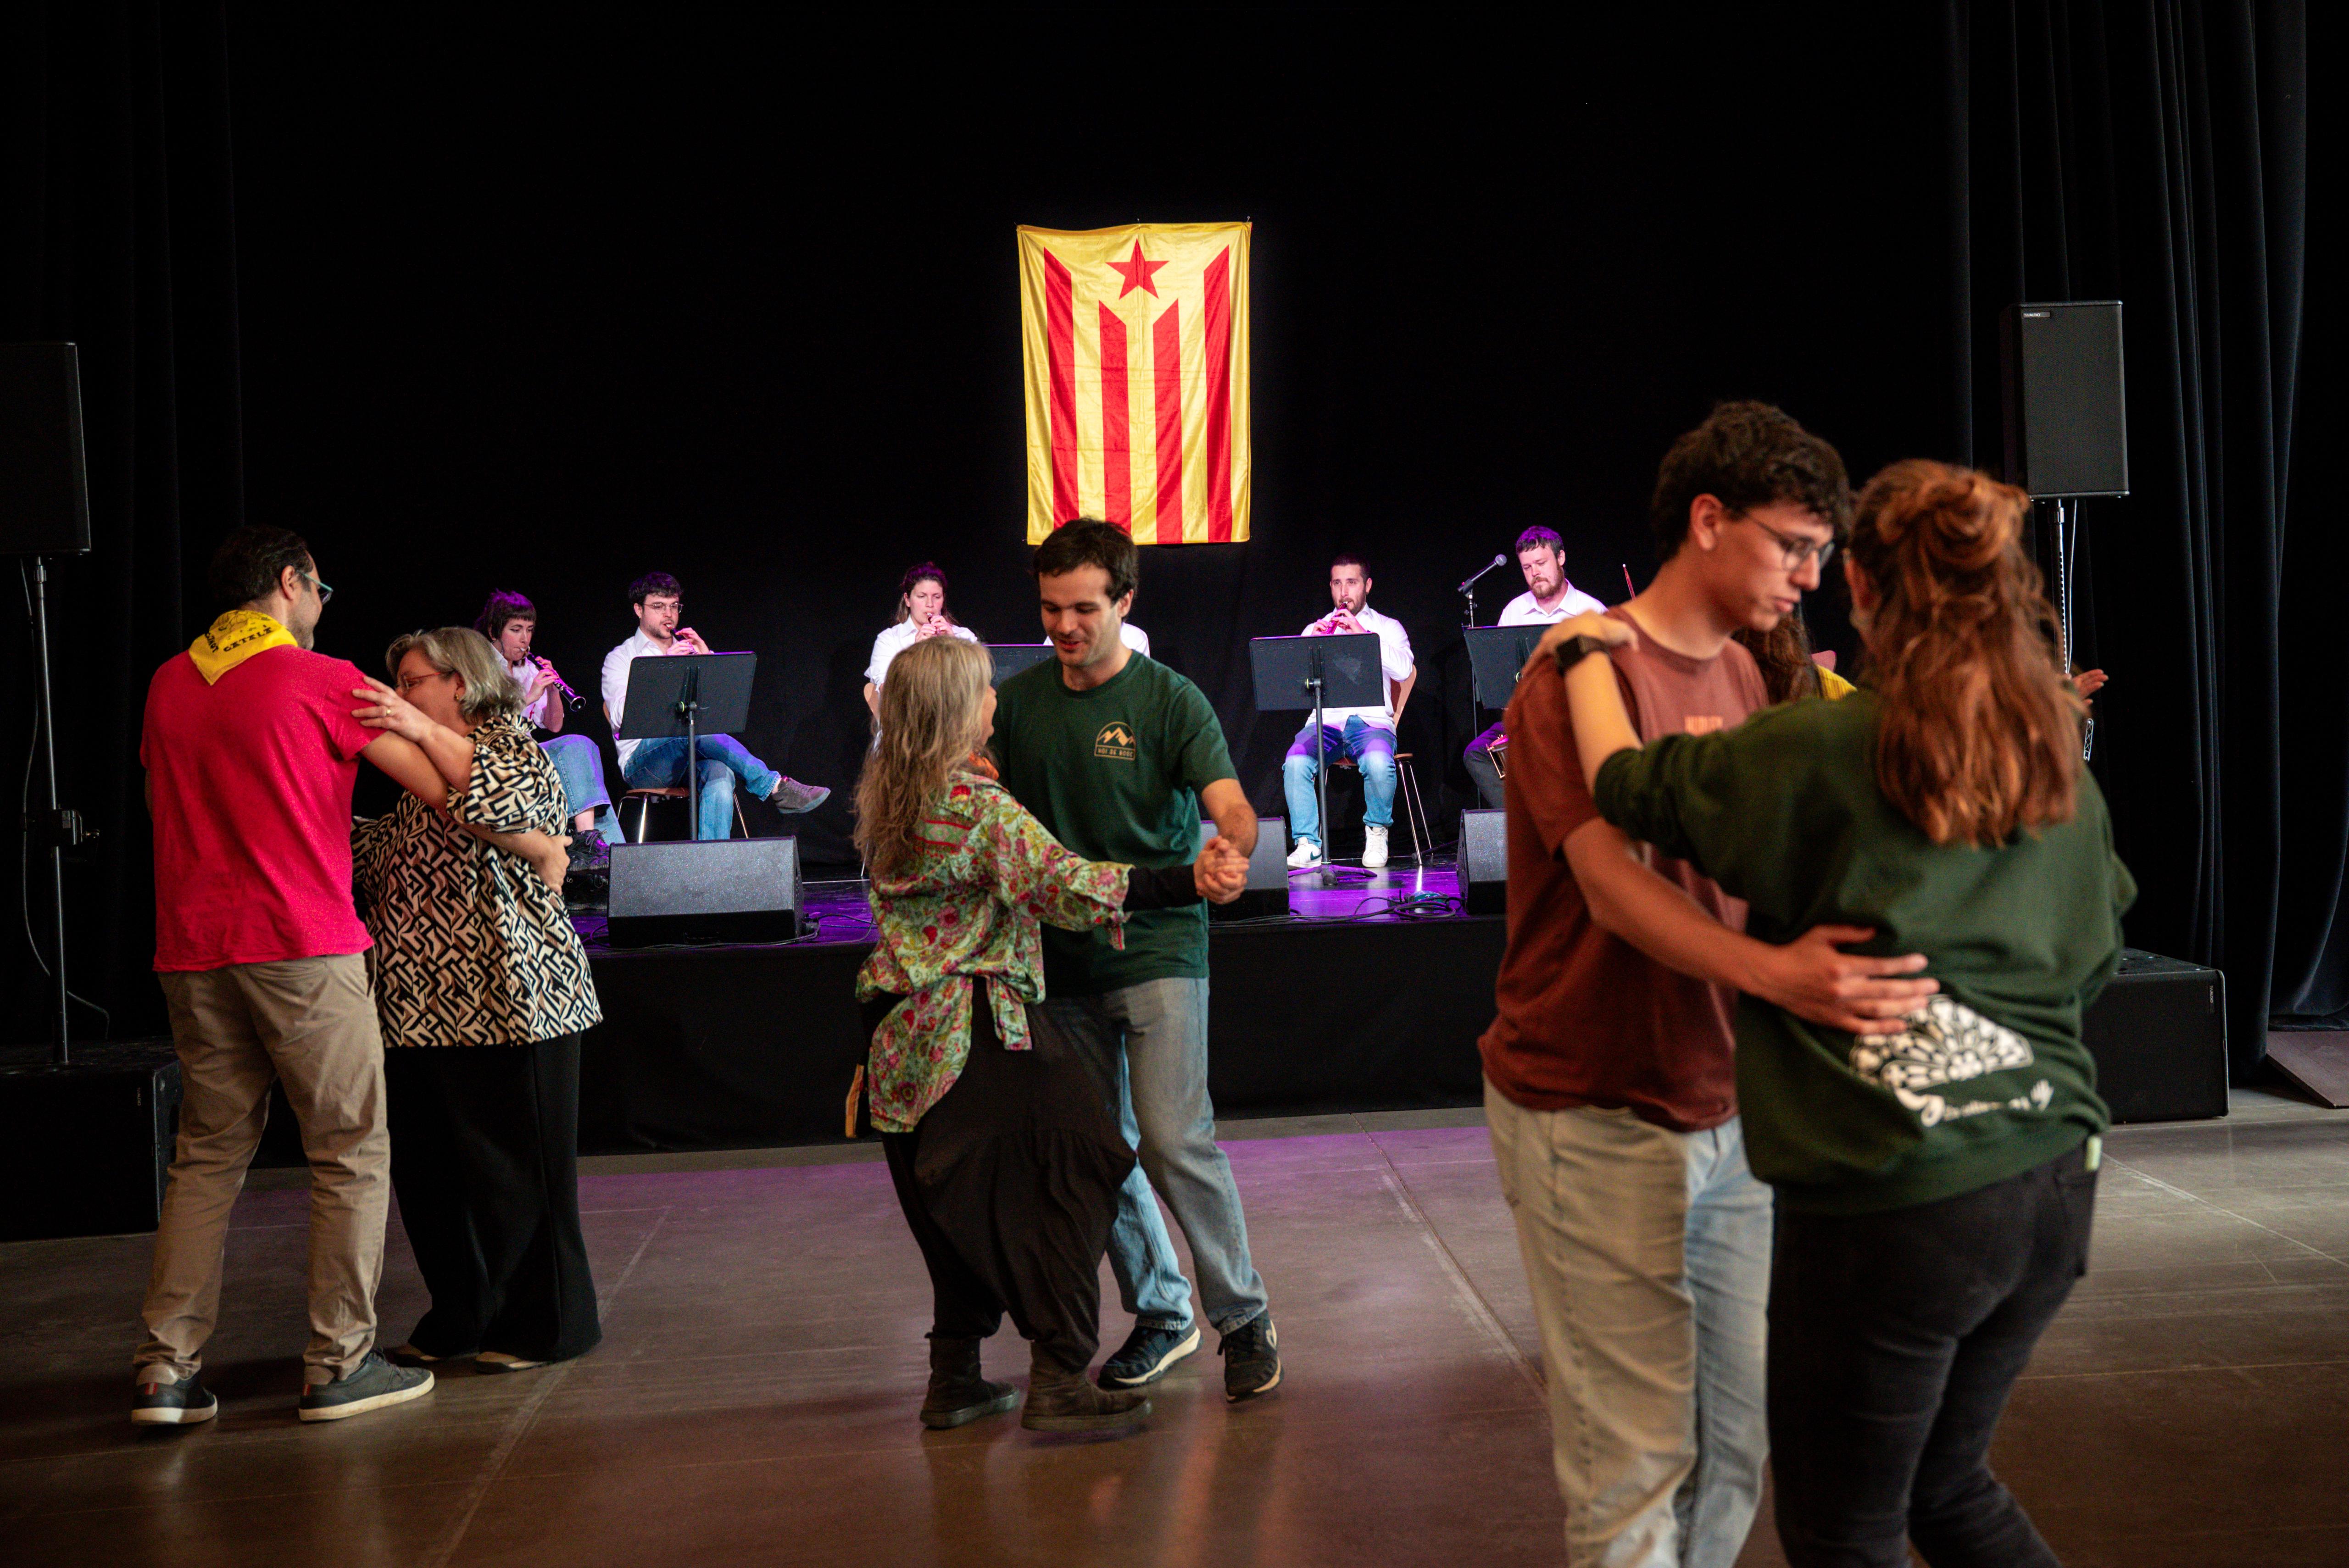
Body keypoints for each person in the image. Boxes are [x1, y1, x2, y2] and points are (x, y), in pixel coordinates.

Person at [1546, 458, 2132, 1568]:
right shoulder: (2053, 757)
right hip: (2055, 1182)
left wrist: (1581, 650)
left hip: (1898, 1202)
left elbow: (1625, 787)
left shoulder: (1818, 751)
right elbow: (2097, 949)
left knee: (1840, 1533)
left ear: (1857, 585)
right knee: (1950, 1490)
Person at [1479, 401, 1943, 1566]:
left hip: (1728, 1110)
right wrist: (1779, 975)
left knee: (1733, 1450)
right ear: (1706, 521)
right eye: (1791, 544)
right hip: (1591, 1109)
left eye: (1821, 555)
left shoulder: (1747, 671)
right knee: (1633, 1473)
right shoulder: (1572, 674)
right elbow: (1612, 887)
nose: (1808, 576)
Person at [856, 635, 1247, 1431]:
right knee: (1077, 1176)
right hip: (973, 1037)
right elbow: (1066, 880)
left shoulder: (892, 796)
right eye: (985, 691)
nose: (999, 700)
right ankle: (1064, 1378)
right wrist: (1184, 880)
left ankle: (955, 1378)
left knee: (956, 1215)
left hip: (900, 1046)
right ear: (961, 712)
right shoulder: (974, 807)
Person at [132, 526, 443, 1426]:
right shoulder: (323, 677)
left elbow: (164, 804)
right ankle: (340, 1362)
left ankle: (165, 1369)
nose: (322, 604)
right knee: (350, 1147)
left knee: (205, 1156)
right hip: (301, 942)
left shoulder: (166, 681)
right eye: (320, 587)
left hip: (194, 945)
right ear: (289, 582)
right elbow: (431, 782)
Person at [991, 518, 1284, 1402]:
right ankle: (1162, 1312)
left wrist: (1231, 849)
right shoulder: (1020, 702)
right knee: (1095, 1147)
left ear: (1125, 600)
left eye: (1084, 607)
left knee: (1169, 1134)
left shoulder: (1170, 700)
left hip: (1156, 942)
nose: (1065, 625)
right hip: (1057, 957)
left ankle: (1243, 1317)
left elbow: (1231, 806)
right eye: (1051, 607)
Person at [351, 628, 606, 1376]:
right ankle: (462, 1311)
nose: (399, 693)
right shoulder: (415, 779)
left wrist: (414, 730)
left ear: (460, 681)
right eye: (395, 680)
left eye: (413, 678)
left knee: (518, 1174)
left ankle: (551, 1321)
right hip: (419, 1009)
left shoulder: (512, 747)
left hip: (514, 1001)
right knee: (432, 1179)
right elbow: (384, 855)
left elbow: (508, 806)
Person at [600, 571, 829, 840]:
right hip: (644, 764)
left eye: (674, 606)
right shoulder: (621, 658)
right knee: (694, 731)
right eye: (659, 607)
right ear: (639, 610)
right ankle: (774, 786)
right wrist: (665, 671)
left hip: (689, 758)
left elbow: (719, 713)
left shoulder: (687, 650)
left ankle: (710, 869)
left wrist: (708, 659)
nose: (669, 615)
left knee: (720, 772)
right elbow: (621, 718)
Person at [1281, 553, 1417, 869]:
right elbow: (1291, 681)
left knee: (1379, 763)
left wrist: (1363, 636)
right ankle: (1307, 844)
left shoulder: (1387, 627)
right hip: (1326, 723)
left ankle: (1377, 831)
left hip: (1371, 723)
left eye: (1352, 583)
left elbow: (1404, 669)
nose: (1344, 593)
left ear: (1367, 586)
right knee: (1295, 762)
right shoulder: (1316, 628)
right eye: (1338, 584)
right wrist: (1307, 648)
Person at [1464, 527, 1608, 808]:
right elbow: (1504, 681)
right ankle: (1525, 825)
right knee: (1477, 753)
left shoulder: (1592, 611)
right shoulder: (1514, 612)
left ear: (1561, 558)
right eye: (1527, 567)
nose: (1535, 573)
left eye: (1541, 564)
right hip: (1526, 718)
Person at [476, 589, 624, 854]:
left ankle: (607, 851)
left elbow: (554, 725)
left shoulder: (528, 667)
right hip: (493, 754)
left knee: (583, 746)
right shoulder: (481, 666)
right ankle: (592, 845)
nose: (525, 639)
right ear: (494, 632)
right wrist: (530, 695)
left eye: (530, 630)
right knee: (576, 747)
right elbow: (486, 722)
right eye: (516, 629)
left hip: (529, 752)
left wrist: (554, 689)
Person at [863, 562, 981, 722]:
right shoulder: (889, 640)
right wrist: (915, 654)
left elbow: (980, 687)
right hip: (905, 732)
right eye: (921, 597)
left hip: (953, 732)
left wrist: (954, 648)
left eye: (937, 597)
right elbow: (889, 695)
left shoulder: (963, 637)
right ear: (908, 600)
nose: (930, 605)